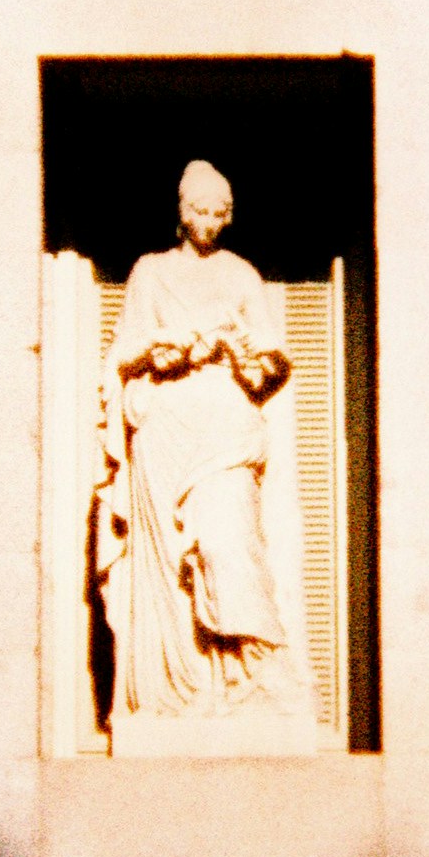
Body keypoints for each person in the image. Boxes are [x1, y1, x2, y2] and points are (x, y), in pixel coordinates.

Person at [97, 160, 297, 720]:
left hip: (226, 423)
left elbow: (274, 363)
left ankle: (257, 673)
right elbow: (124, 353)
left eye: (218, 213)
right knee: (167, 566)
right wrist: (168, 343)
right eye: (199, 212)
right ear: (181, 214)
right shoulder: (149, 271)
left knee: (227, 543)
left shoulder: (241, 275)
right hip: (165, 425)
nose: (209, 222)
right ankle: (176, 689)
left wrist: (242, 351)